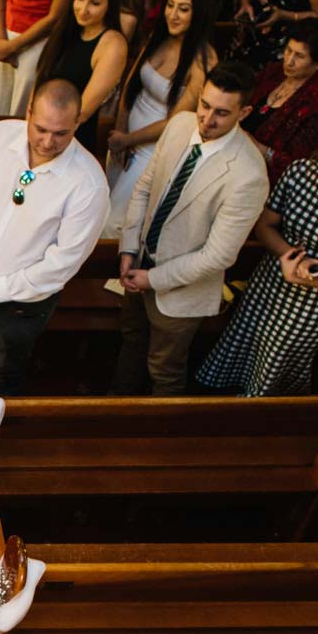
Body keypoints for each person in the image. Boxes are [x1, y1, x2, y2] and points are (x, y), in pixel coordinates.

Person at [196, 112, 318, 395]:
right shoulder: (299, 172)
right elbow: (265, 225)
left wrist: (304, 276)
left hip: (311, 303)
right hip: (269, 282)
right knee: (241, 345)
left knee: (270, 367)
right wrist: (292, 258)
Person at [110, 62, 270, 395]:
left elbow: (217, 256)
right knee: (131, 342)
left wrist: (153, 278)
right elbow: (145, 187)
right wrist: (128, 248)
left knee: (164, 369)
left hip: (182, 290)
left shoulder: (249, 174)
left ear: (245, 112)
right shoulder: (180, 125)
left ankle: (160, 440)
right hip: (139, 261)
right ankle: (116, 411)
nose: (207, 119)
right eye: (205, 105)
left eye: (222, 113)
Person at [0, 80, 109, 394]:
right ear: (28, 111)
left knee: (3, 379)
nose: (48, 142)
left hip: (22, 304)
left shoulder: (89, 184)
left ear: (78, 123)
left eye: (61, 133)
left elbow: (63, 262)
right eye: (40, 129)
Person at [104, 0, 220, 236]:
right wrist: (120, 133)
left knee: (117, 221)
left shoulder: (203, 61)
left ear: (199, 13)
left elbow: (176, 121)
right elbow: (130, 85)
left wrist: (129, 139)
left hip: (153, 148)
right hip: (124, 140)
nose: (173, 15)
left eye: (184, 9)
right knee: (103, 205)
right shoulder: (158, 38)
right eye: (170, 5)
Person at [239, 17, 318, 183]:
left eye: (299, 56)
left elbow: (297, 165)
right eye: (288, 50)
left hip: (259, 177)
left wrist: (259, 148)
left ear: (317, 64)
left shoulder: (315, 107)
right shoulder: (275, 71)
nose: (289, 60)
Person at [50, 0, 130, 152]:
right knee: (25, 180)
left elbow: (83, 112)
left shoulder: (113, 44)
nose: (83, 9)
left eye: (95, 3)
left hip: (71, 140)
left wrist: (49, 137)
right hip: (43, 132)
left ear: (110, 5)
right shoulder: (66, 30)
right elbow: (41, 81)